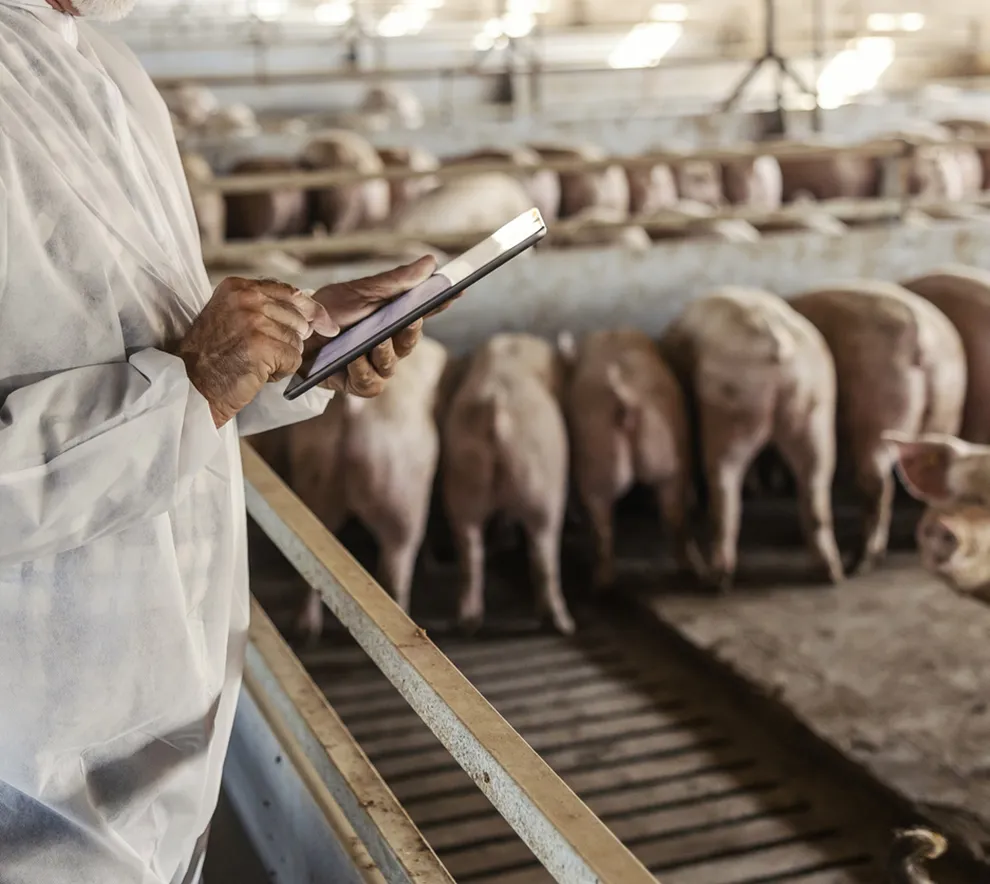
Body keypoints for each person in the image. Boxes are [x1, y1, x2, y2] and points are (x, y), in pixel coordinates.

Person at [0, 1, 442, 882]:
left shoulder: (110, 70)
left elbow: (159, 352)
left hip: (166, 723)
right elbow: (179, 380)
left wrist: (300, 344)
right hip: (27, 756)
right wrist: (195, 381)